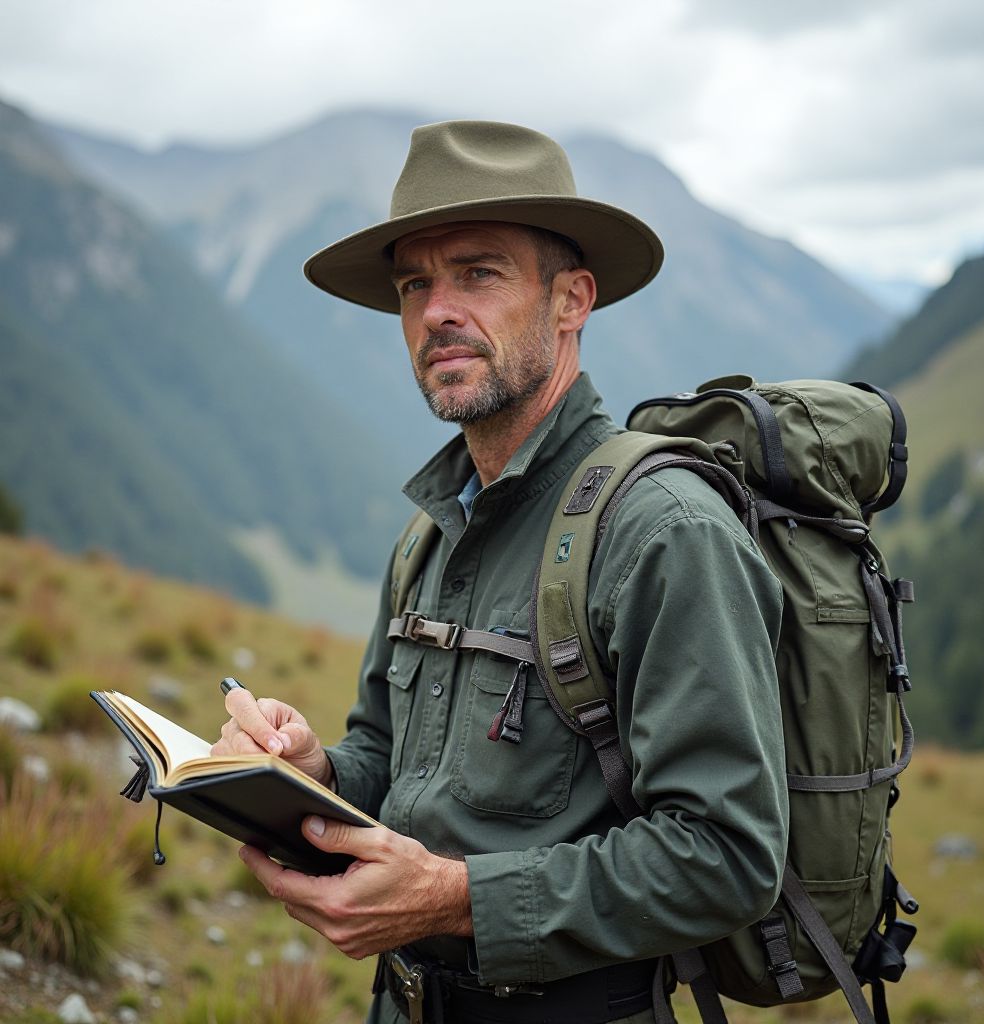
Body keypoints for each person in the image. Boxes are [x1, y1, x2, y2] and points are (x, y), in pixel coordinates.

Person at [212, 120, 789, 1024]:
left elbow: (728, 858)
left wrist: (455, 899)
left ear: (571, 301)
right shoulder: (431, 532)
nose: (436, 311)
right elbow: (389, 763)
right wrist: (312, 768)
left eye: (478, 273)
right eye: (415, 283)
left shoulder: (663, 532)